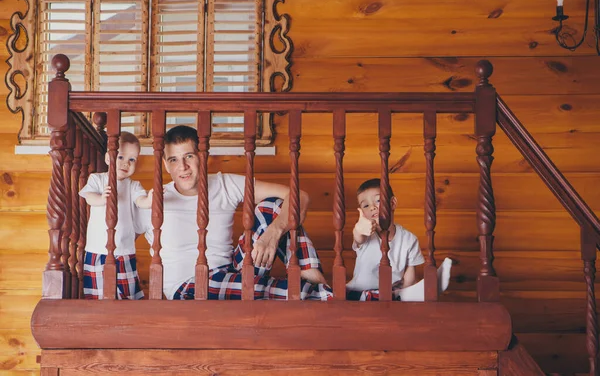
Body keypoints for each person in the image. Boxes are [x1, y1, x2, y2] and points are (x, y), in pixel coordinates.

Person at [136, 125, 332, 300]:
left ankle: (314, 280)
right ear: (166, 165)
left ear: (203, 156)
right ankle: (324, 295)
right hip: (188, 288)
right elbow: (117, 238)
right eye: (173, 159)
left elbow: (300, 196)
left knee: (273, 206)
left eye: (189, 156)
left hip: (231, 272)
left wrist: (273, 233)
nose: (183, 167)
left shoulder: (224, 184)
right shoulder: (153, 200)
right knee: (258, 288)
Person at [79, 131, 152, 299]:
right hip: (97, 248)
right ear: (107, 158)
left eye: (132, 160)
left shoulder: (133, 185)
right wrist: (101, 198)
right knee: (99, 295)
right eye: (120, 157)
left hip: (124, 249)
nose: (126, 163)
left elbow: (140, 200)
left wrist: (149, 201)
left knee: (128, 295)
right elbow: (88, 196)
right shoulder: (97, 179)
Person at [346, 178, 425, 301]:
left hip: (388, 294)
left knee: (407, 294)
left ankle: (433, 284)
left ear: (392, 203)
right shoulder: (366, 234)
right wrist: (359, 228)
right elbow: (358, 237)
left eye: (378, 201)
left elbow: (409, 280)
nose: (372, 207)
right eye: (366, 205)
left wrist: (410, 294)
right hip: (358, 292)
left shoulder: (409, 239)